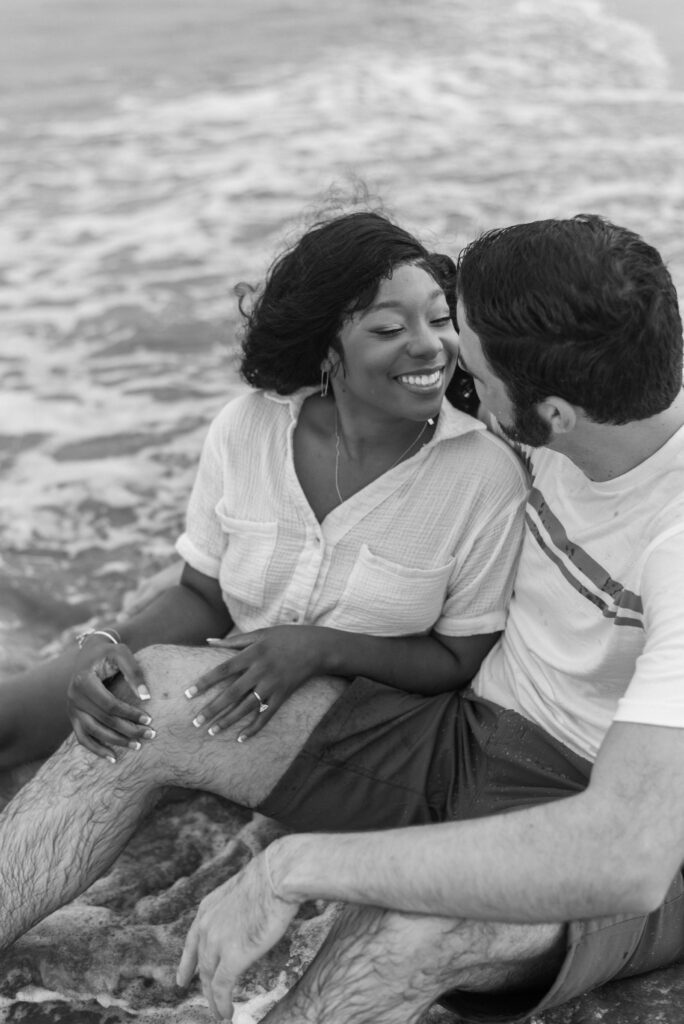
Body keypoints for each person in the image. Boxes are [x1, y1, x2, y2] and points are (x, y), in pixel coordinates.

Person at [2, 212, 683, 1024]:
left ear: (555, 413)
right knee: (149, 705)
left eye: (469, 347)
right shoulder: (578, 411)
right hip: (462, 736)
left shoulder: (658, 531)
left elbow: (627, 855)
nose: (452, 362)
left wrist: (296, 867)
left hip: (597, 815)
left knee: (408, 931)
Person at [0, 209, 526, 767]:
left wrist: (321, 650)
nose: (430, 347)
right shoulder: (250, 426)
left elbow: (457, 657)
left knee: (108, 761)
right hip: (226, 682)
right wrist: (107, 645)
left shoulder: (483, 475)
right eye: (390, 329)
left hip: (365, 733)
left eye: (441, 320)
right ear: (327, 350)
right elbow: (205, 599)